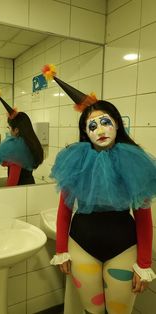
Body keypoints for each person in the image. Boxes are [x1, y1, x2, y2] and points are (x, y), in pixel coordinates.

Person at [42, 64, 156, 314]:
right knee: (91, 311)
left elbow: (144, 215)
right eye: (92, 126)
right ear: (85, 132)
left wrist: (144, 264)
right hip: (81, 247)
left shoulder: (133, 161)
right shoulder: (76, 161)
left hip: (124, 248)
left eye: (105, 122)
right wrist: (61, 249)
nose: (100, 130)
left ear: (117, 124)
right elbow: (64, 210)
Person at [0, 88, 44, 186]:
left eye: (9, 128)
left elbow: (13, 180)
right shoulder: (30, 142)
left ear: (16, 130)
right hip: (30, 185)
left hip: (19, 189)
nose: (9, 131)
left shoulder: (17, 148)